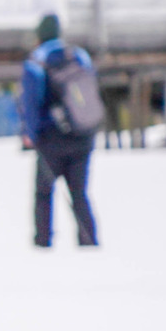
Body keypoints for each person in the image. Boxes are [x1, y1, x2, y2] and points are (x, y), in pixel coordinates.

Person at [20, 13, 103, 248]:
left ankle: (43, 241)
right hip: (83, 134)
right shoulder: (79, 55)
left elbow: (31, 103)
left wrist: (32, 135)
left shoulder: (36, 61)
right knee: (79, 192)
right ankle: (88, 240)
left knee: (44, 192)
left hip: (51, 138)